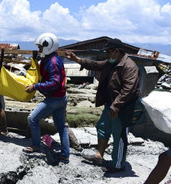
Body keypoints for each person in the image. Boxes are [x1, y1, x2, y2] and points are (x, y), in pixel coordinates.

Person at [66, 38, 140, 173]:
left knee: (119, 135)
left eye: (108, 52)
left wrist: (116, 106)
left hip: (122, 108)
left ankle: (118, 165)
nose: (107, 55)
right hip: (110, 104)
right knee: (103, 129)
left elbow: (129, 89)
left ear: (116, 51)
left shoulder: (129, 67)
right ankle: (98, 156)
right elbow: (94, 64)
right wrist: (77, 59)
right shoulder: (112, 62)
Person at [24, 33, 70, 163]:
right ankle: (65, 154)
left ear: (47, 46)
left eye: (40, 47)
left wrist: (35, 86)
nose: (39, 49)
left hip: (54, 99)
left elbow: (54, 82)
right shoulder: (52, 59)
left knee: (32, 118)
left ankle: (36, 145)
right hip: (61, 97)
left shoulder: (52, 62)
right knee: (61, 126)